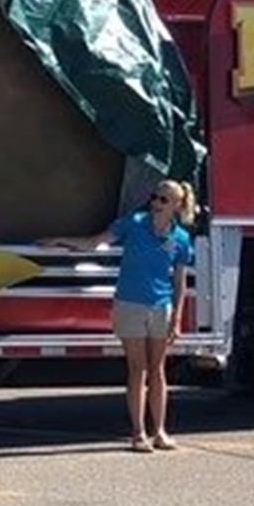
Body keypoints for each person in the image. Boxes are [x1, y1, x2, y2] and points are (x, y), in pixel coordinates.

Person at [43, 180, 197, 453]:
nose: (156, 203)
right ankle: (138, 433)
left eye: (164, 199)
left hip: (161, 306)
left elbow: (179, 281)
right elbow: (97, 241)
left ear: (176, 205)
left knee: (158, 369)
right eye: (155, 197)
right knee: (138, 368)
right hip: (130, 303)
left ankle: (159, 430)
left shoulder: (181, 239)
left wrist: (177, 319)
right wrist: (62, 240)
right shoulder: (134, 223)